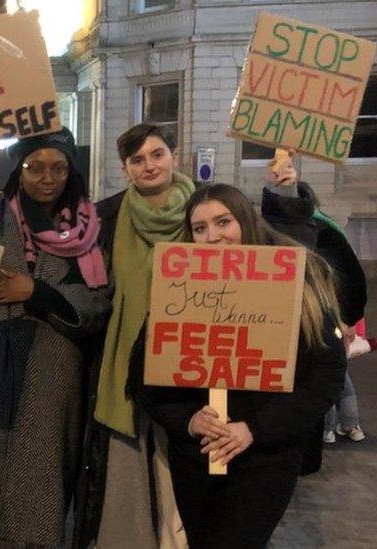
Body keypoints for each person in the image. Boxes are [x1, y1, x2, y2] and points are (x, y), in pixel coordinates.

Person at [141, 183, 346, 548]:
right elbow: (143, 377)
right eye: (200, 228)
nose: (213, 237)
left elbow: (324, 380)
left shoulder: (297, 280)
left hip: (265, 458)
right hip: (197, 458)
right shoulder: (177, 286)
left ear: (246, 221)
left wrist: (254, 429)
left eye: (223, 222)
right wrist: (187, 420)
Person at [0, 128, 112, 547]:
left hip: (52, 374)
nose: (47, 177)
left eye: (58, 167)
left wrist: (36, 292)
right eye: (34, 167)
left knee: (40, 483)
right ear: (18, 171)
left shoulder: (89, 228)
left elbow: (99, 300)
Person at [72, 123, 196, 549]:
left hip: (189, 364)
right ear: (125, 168)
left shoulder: (205, 211)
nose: (149, 166)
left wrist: (286, 193)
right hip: (124, 364)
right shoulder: (104, 217)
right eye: (138, 159)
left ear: (174, 157)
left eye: (157, 154)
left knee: (179, 468)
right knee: (131, 469)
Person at [260, 151, 367, 463]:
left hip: (311, 342)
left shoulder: (323, 230)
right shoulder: (261, 228)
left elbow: (351, 283)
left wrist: (344, 321)